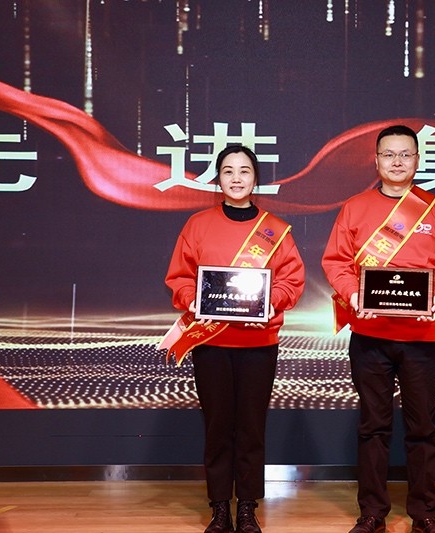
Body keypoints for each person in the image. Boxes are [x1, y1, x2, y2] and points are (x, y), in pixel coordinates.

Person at [322, 125, 435, 533]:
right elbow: (336, 262)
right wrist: (353, 294)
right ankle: (372, 512)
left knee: (423, 428)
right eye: (389, 154)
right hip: (370, 337)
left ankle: (425, 513)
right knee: (373, 427)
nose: (397, 161)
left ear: (418, 160)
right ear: (376, 160)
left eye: (405, 154)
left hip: (421, 339)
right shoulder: (355, 208)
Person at [165, 144, 305, 533]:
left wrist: (271, 302)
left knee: (251, 427)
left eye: (244, 171)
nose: (237, 178)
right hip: (211, 344)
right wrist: (192, 298)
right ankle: (219, 508)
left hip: (259, 345)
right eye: (228, 171)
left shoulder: (275, 229)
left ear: (255, 178)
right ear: (218, 179)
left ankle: (247, 507)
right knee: (217, 426)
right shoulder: (197, 225)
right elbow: (180, 277)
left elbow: (292, 280)